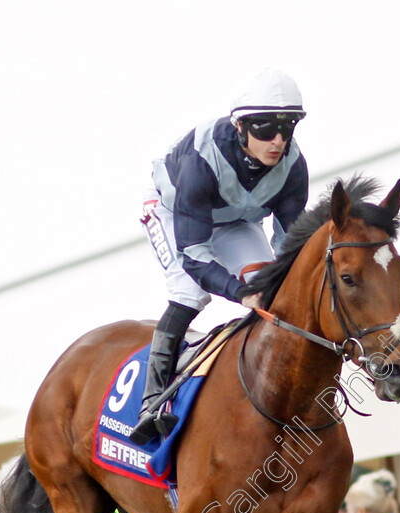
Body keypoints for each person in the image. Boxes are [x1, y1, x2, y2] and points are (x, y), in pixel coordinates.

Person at [130, 67, 309, 444]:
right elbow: (195, 255)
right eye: (264, 128)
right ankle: (152, 402)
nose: (278, 140)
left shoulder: (294, 167)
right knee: (191, 292)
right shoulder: (201, 160)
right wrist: (240, 292)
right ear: (240, 126)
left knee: (271, 288)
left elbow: (291, 246)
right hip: (174, 214)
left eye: (287, 127)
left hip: (235, 220)